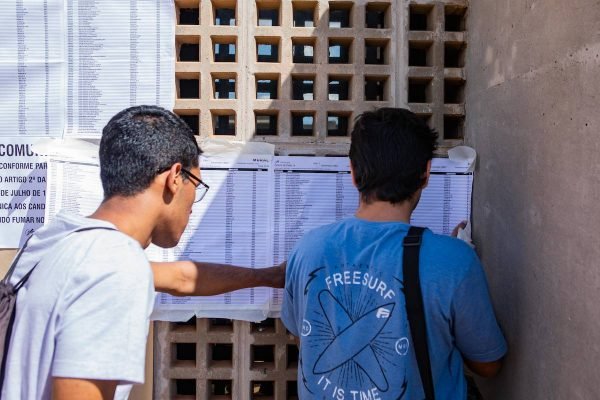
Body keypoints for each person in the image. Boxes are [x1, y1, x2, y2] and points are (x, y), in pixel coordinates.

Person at [1, 105, 284, 400]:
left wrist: (270, 276)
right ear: (175, 177)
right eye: (196, 184)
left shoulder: (58, 239)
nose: (193, 202)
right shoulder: (117, 263)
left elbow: (182, 279)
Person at [281, 108, 507, 399]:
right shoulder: (455, 262)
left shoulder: (307, 249)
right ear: (426, 172)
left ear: (352, 171)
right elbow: (488, 364)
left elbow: (306, 337)